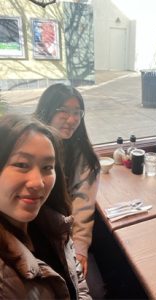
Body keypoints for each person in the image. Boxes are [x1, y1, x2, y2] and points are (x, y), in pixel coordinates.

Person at [0, 114, 91, 299]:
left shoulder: (53, 222)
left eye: (47, 167)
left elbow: (79, 283)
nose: (38, 183)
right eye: (22, 164)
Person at [34, 83, 103, 297]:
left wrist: (80, 247)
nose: (71, 119)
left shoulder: (82, 155)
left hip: (64, 236)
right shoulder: (30, 145)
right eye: (63, 111)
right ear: (47, 110)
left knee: (95, 290)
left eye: (77, 113)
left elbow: (83, 205)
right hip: (34, 234)